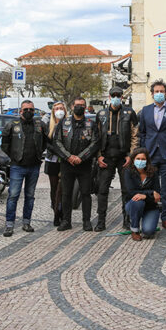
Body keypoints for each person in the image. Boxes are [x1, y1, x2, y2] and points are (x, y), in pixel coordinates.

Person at [138, 79, 166, 230]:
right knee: (150, 187)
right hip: (150, 154)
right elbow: (142, 132)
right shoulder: (145, 110)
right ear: (152, 94)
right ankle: (150, 215)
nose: (159, 94)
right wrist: (143, 151)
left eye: (161, 91)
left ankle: (165, 218)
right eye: (156, 92)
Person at [1, 100, 47, 237]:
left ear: (34, 111)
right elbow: (5, 144)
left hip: (34, 166)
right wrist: (13, 157)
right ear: (20, 111)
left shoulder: (40, 125)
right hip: (17, 166)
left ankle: (27, 222)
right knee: (13, 195)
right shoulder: (11, 125)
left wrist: (39, 154)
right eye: (26, 109)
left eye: (31, 109)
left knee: (30, 196)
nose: (28, 112)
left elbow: (45, 141)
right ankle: (9, 224)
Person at [95, 87, 139, 231]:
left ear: (122, 97)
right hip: (106, 157)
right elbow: (95, 137)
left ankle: (127, 219)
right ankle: (101, 220)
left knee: (127, 189)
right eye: (113, 95)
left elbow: (135, 136)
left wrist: (131, 156)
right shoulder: (101, 114)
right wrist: (98, 156)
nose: (115, 97)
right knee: (102, 190)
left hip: (123, 157)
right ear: (109, 96)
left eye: (118, 95)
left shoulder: (129, 113)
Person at [54, 97, 100, 231]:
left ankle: (86, 221)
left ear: (85, 108)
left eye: (82, 105)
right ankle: (66, 221)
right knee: (66, 194)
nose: (79, 107)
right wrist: (68, 157)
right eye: (77, 105)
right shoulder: (64, 123)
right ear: (72, 107)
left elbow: (95, 143)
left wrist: (81, 157)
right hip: (67, 164)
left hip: (84, 164)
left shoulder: (91, 124)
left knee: (86, 193)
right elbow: (57, 142)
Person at [123, 148, 161, 241]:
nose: (140, 161)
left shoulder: (153, 172)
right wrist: (149, 193)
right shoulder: (128, 171)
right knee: (138, 201)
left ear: (147, 160)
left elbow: (157, 193)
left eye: (143, 159)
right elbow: (130, 192)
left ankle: (146, 222)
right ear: (133, 160)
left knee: (148, 232)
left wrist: (146, 196)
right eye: (138, 159)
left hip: (150, 206)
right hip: (133, 204)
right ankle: (134, 230)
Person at [43, 101, 67, 226]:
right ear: (53, 111)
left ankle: (62, 211)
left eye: (61, 108)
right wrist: (56, 151)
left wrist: (64, 154)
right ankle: (56, 212)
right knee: (54, 188)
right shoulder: (48, 124)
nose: (59, 110)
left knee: (62, 188)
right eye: (57, 108)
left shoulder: (68, 124)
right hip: (52, 160)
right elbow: (46, 142)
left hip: (65, 160)